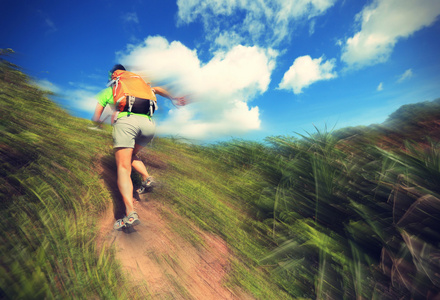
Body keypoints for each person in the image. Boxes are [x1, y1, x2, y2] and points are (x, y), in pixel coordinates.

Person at [92, 64, 186, 230]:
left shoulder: (115, 87)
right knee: (132, 156)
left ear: (113, 75)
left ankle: (129, 214)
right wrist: (173, 98)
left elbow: (97, 114)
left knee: (123, 167)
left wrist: (97, 123)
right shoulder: (140, 84)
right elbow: (157, 89)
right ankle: (147, 178)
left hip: (127, 122)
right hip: (149, 125)